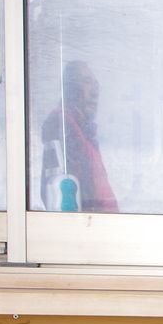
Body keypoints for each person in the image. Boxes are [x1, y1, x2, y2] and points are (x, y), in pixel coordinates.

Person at [41, 60, 119, 212]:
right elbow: (67, 192)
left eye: (96, 85)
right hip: (89, 227)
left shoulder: (84, 129)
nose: (95, 92)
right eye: (86, 82)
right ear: (70, 88)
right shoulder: (62, 124)